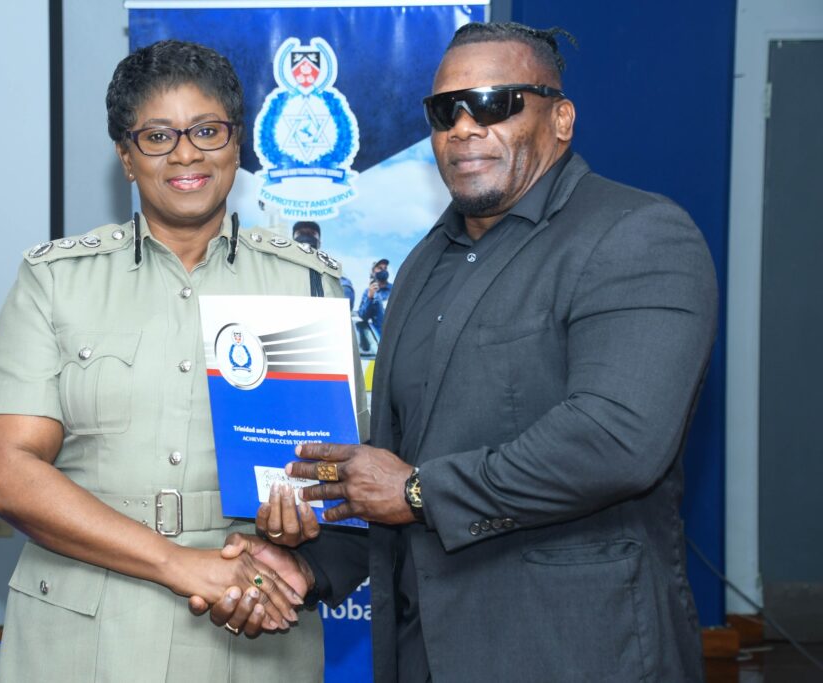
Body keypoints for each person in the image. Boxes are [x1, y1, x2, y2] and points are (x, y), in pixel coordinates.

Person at [195, 21, 718, 681]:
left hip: (577, 650)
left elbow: (616, 439)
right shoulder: (423, 263)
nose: (465, 126)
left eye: (496, 102)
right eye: (445, 110)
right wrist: (308, 565)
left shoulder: (636, 235)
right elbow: (386, 466)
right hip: (424, 653)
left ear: (561, 119)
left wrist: (415, 490)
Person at [0, 40, 365, 682]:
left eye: (207, 131)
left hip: (251, 623)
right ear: (126, 157)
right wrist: (177, 562)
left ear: (238, 145)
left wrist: (297, 528)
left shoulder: (309, 286)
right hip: (80, 635)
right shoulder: (55, 281)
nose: (186, 153)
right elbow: (3, 473)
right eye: (157, 136)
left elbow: (346, 482)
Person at [292, 220, 355, 310]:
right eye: (301, 233)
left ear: (319, 242)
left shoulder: (331, 267)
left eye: (311, 233)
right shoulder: (279, 266)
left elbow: (346, 295)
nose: (306, 236)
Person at [357, 258, 392, 338]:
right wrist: (370, 297)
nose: (383, 270)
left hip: (395, 336)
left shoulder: (394, 289)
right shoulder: (368, 292)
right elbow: (363, 316)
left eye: (385, 268)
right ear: (373, 272)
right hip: (378, 339)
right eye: (380, 268)